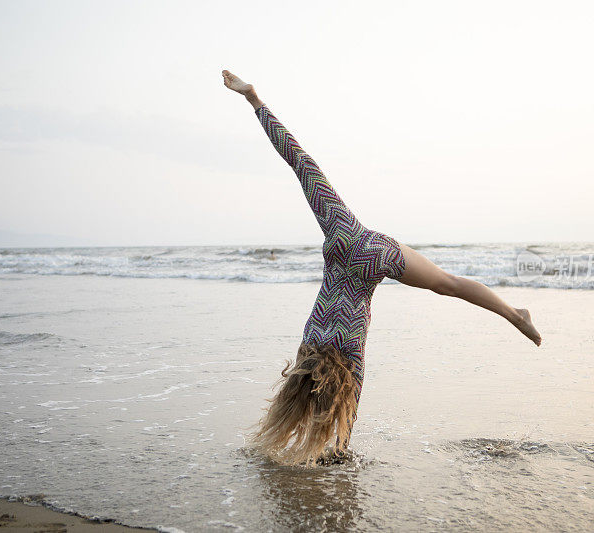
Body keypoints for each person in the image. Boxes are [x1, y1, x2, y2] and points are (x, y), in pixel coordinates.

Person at [222, 70, 541, 466]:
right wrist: (253, 98)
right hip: (357, 270)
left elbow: (297, 159)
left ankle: (515, 315)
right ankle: (514, 314)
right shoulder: (349, 241)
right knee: (447, 283)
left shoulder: (345, 346)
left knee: (333, 432)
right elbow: (297, 159)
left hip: (345, 296)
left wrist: (254, 99)